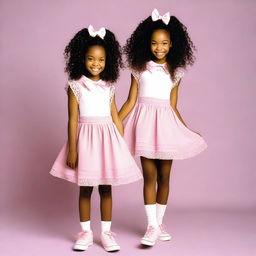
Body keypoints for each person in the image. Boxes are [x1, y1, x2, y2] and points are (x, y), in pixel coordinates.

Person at [119, 9, 207, 246]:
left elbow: (173, 106)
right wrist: (115, 123)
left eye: (164, 43)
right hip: (145, 125)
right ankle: (151, 226)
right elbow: (129, 102)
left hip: (166, 127)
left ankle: (159, 222)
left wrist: (186, 130)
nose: (159, 47)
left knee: (165, 176)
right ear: (146, 44)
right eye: (155, 43)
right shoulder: (139, 69)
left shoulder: (176, 72)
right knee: (150, 175)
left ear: (173, 44)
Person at [50, 25, 142, 252]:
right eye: (91, 59)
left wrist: (120, 143)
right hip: (85, 141)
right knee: (85, 188)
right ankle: (85, 233)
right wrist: (73, 149)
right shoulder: (75, 85)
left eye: (101, 60)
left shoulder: (109, 86)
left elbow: (115, 116)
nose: (96, 64)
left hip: (107, 141)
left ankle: (107, 233)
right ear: (82, 59)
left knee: (106, 189)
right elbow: (72, 120)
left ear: (107, 61)